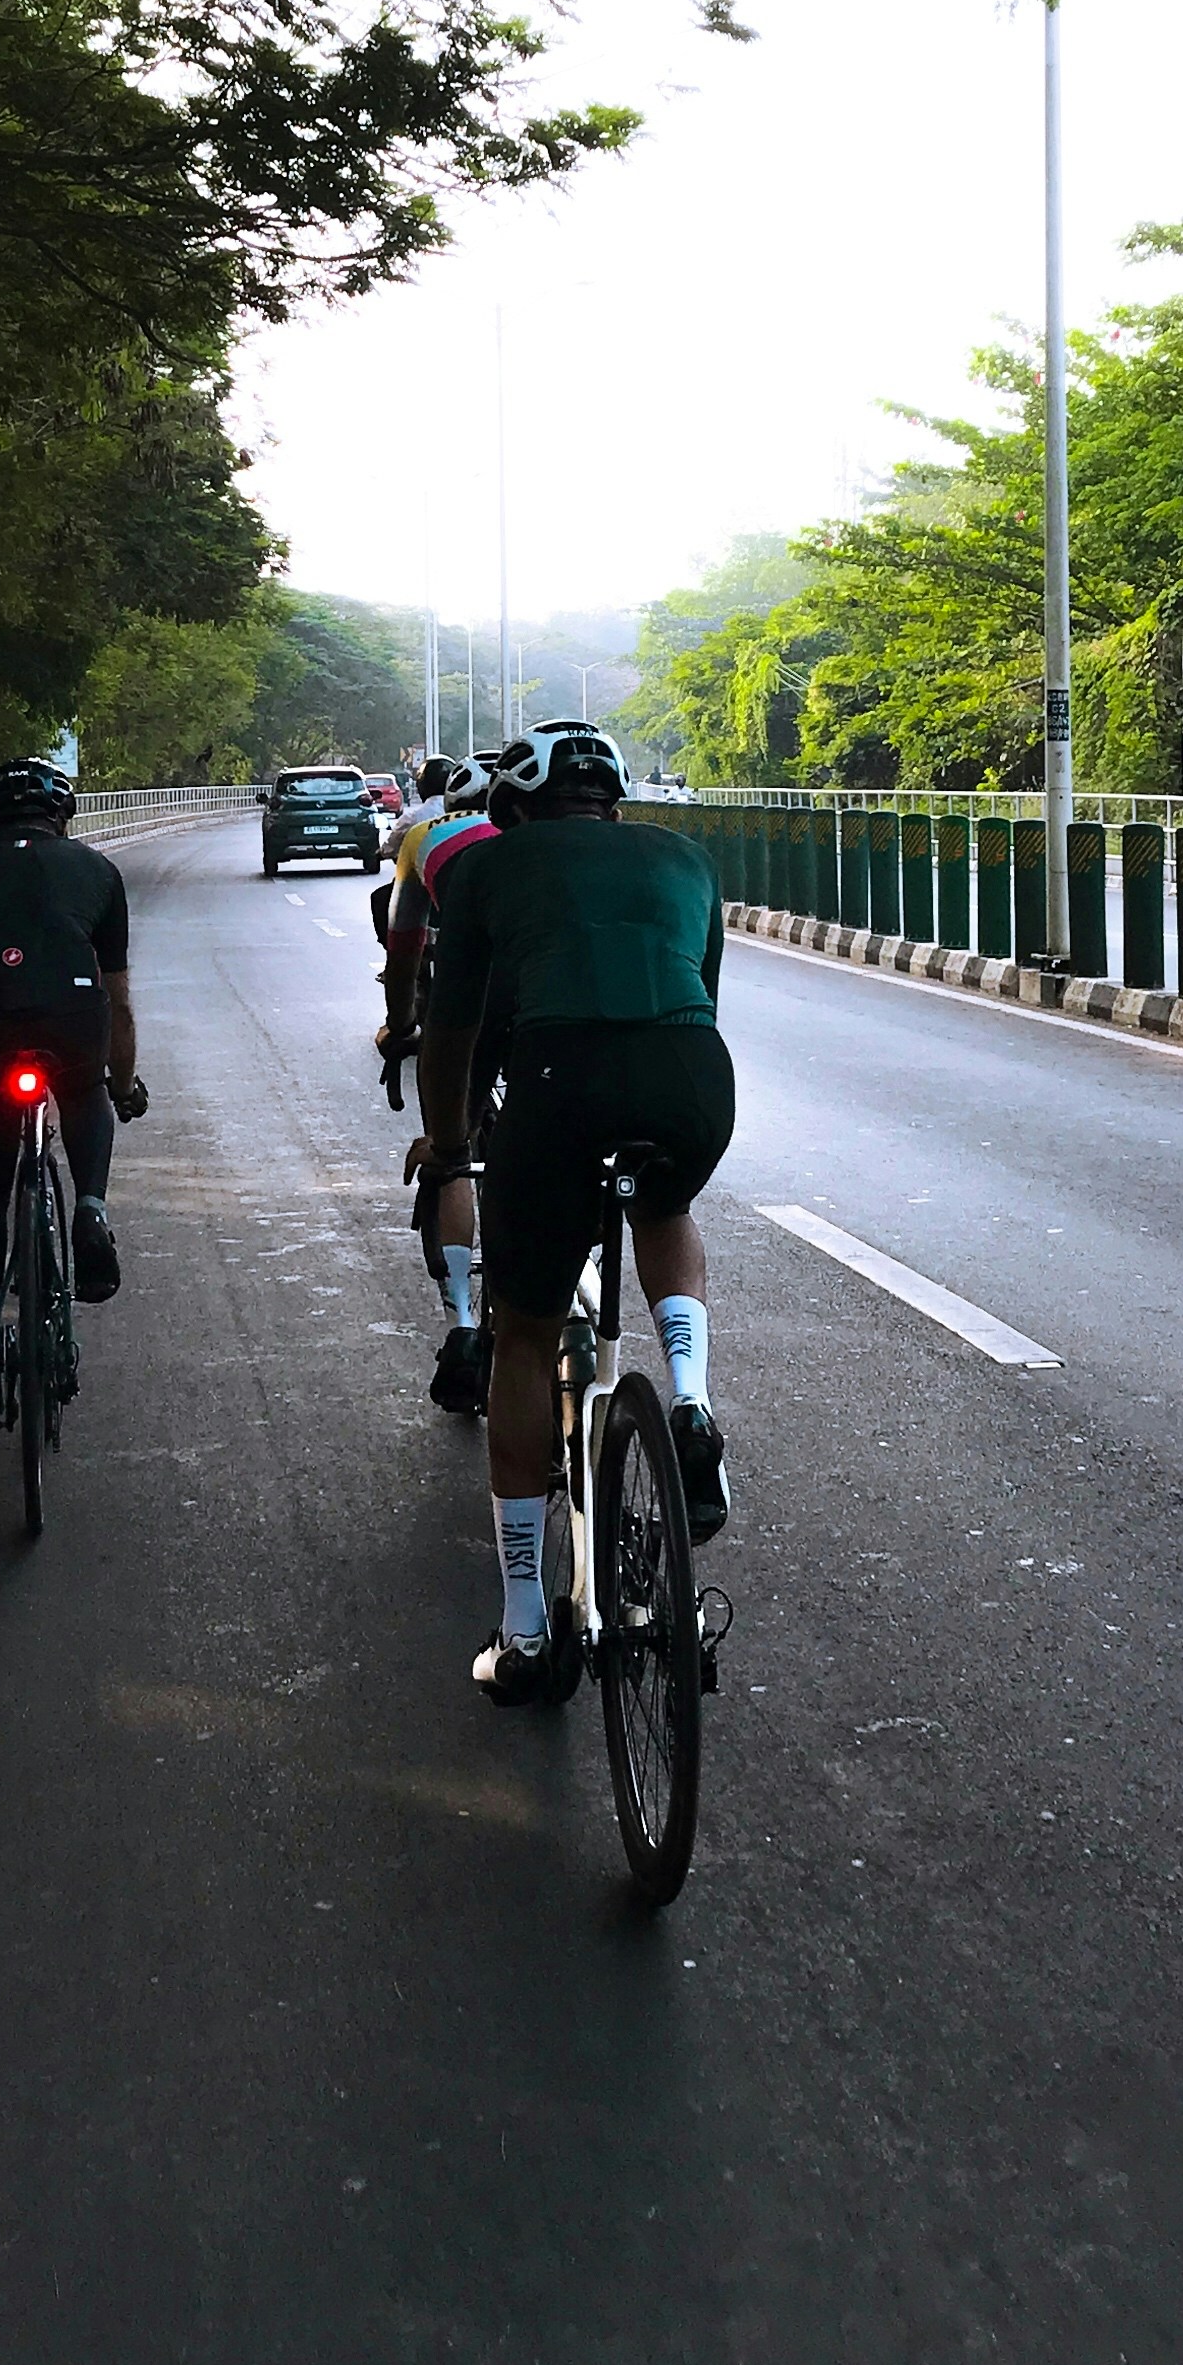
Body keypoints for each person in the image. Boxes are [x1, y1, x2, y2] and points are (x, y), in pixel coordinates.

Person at [417, 721, 734, 1701]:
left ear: (510, 810)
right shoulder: (686, 857)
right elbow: (700, 999)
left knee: (526, 1333)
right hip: (688, 1086)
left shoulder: (484, 871)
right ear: (615, 802)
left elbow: (452, 1033)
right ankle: (689, 1399)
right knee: (655, 1198)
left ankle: (522, 1633)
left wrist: (448, 1147)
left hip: (556, 1094)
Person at [0, 758, 148, 1432]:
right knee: (84, 1095)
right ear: (63, 814)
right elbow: (120, 1000)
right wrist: (123, 1081)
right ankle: (91, 1209)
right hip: (72, 1018)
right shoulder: (97, 872)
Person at [381, 755, 496, 1407]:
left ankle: (461, 1324)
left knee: (452, 1155)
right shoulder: (553, 845)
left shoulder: (431, 836)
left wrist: (399, 1026)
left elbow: (404, 952)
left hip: (465, 1010)